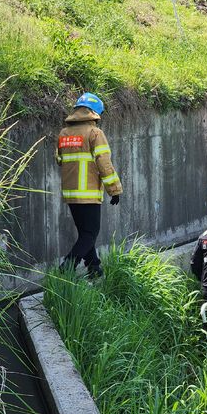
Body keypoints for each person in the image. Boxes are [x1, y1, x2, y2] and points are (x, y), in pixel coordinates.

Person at [56, 92, 122, 279]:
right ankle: (67, 267)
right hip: (89, 192)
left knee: (85, 233)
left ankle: (95, 269)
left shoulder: (64, 133)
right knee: (90, 234)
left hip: (70, 193)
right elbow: (104, 163)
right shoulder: (95, 133)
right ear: (94, 113)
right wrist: (114, 190)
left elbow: (59, 159)